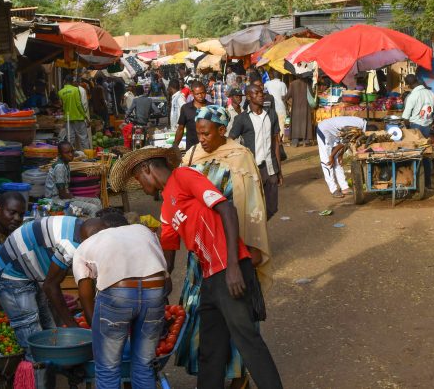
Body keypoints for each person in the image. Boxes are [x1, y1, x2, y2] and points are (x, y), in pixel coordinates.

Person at [110, 147, 283, 389]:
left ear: (146, 169)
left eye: (138, 179)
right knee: (210, 349)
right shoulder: (166, 210)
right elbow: (166, 261)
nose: (140, 185)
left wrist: (233, 265)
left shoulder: (184, 176)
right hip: (210, 278)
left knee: (247, 341)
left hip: (229, 269)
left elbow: (227, 210)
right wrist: (146, 288)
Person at [179, 105, 272, 386]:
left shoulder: (240, 158)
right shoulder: (191, 155)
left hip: (230, 249)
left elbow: (250, 205)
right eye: (198, 133)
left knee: (237, 318)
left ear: (222, 131)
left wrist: (244, 252)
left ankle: (239, 375)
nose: (202, 139)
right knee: (204, 320)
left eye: (207, 133)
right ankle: (213, 375)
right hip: (201, 253)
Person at [0, 215, 101, 385]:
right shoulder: (71, 245)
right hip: (9, 273)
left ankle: (49, 380)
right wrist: (74, 327)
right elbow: (50, 286)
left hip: (31, 273)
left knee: (49, 333)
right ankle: (33, 382)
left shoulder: (84, 227)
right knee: (34, 344)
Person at [73, 211, 168, 388]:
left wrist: (100, 332)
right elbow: (165, 279)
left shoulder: (84, 247)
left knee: (107, 369)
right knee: (144, 365)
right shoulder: (142, 230)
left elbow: (86, 298)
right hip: (155, 289)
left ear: (85, 237)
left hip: (118, 294)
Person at [230, 84, 283, 220]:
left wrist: (279, 170)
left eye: (261, 92)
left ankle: (259, 230)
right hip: (252, 169)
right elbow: (230, 140)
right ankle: (256, 237)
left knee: (272, 208)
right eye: (257, 93)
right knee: (254, 207)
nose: (261, 95)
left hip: (270, 167)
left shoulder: (271, 114)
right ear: (248, 96)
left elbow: (275, 142)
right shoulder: (242, 119)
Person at [44, 141, 102, 218]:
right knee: (93, 208)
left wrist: (73, 197)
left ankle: (99, 225)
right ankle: (91, 228)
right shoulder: (60, 167)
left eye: (72, 151)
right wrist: (73, 197)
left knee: (97, 201)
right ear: (60, 154)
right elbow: (62, 195)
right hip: (56, 201)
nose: (71, 155)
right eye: (67, 153)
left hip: (64, 198)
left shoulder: (66, 163)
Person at [316, 116, 370, 198]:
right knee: (327, 161)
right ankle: (333, 189)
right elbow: (345, 142)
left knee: (338, 160)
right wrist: (332, 156)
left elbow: (348, 141)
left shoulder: (362, 123)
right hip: (324, 130)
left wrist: (340, 154)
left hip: (335, 132)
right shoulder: (356, 128)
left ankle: (344, 188)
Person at [402, 73, 434, 187]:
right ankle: (427, 183)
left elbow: (405, 117)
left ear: (410, 85)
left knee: (414, 154)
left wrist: (407, 129)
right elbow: (433, 111)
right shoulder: (430, 93)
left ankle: (414, 183)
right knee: (426, 154)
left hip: (416, 127)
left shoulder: (412, 96)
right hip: (427, 126)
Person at [173, 81, 209, 150]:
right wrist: (175, 146)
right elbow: (180, 129)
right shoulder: (185, 108)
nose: (200, 96)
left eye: (203, 93)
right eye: (197, 94)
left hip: (209, 148)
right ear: (192, 94)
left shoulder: (212, 107)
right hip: (192, 149)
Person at [59, 75, 92, 151]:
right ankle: (88, 156)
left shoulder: (60, 92)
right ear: (72, 82)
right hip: (78, 117)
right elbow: (79, 104)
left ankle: (71, 156)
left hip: (68, 118)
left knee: (70, 139)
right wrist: (86, 117)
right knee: (83, 138)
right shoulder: (75, 90)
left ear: (64, 81)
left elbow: (62, 106)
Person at [286, 77, 314, 146]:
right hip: (305, 107)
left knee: (296, 124)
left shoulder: (292, 84)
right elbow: (311, 96)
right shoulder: (307, 84)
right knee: (306, 123)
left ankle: (295, 141)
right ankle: (306, 141)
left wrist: (286, 102)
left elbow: (287, 96)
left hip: (295, 108)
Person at [264, 70, 288, 137]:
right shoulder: (283, 84)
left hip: (270, 107)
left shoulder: (268, 83)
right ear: (279, 76)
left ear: (272, 76)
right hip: (281, 107)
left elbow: (262, 87)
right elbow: (284, 96)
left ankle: (272, 138)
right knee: (281, 124)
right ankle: (281, 139)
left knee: (271, 124)